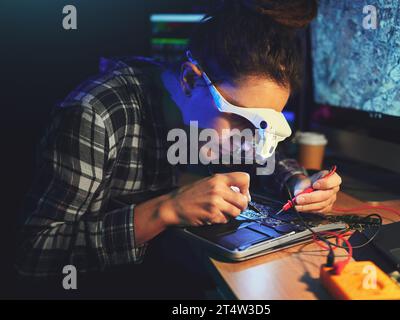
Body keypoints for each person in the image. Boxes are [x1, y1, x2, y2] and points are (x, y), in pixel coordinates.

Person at [16, 0, 341, 283]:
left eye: (264, 125)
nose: (251, 144)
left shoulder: (208, 111)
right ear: (190, 79)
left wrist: (298, 182)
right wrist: (166, 209)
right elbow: (33, 254)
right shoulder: (97, 113)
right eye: (242, 120)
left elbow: (268, 154)